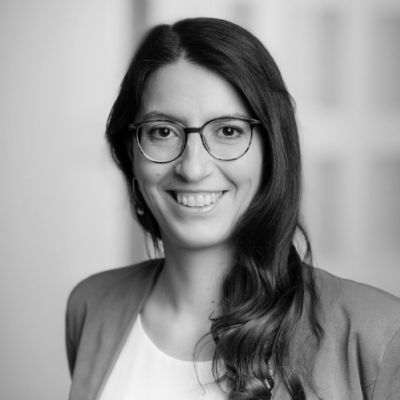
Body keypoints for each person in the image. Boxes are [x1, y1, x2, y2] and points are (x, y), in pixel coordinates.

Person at [65, 17, 400, 400]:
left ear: (272, 149)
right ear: (130, 152)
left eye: (228, 131)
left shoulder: (379, 334)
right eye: (162, 131)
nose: (193, 168)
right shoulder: (91, 306)